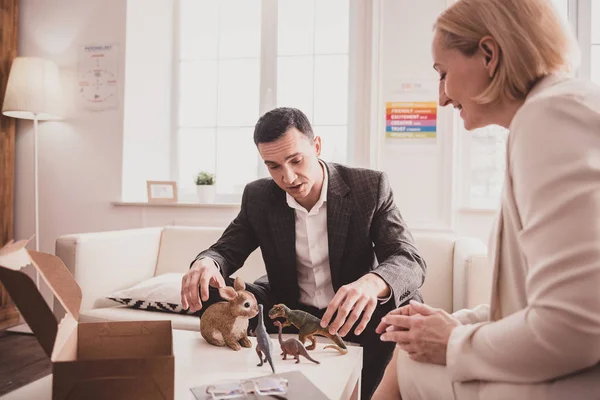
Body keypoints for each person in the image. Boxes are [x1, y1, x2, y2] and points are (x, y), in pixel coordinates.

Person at [371, 0, 600, 399]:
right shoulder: (551, 112)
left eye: (443, 74)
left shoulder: (550, 116)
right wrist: (453, 325)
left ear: (489, 54)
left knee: (408, 360)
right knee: (409, 352)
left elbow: (574, 326)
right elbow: (535, 300)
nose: (441, 98)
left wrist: (453, 342)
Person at [180, 107, 427, 400]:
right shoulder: (259, 196)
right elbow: (225, 249)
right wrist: (207, 262)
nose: (288, 177)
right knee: (210, 297)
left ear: (317, 146)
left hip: (352, 310)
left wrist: (371, 283)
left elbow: (408, 258)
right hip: (290, 308)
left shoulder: (369, 187)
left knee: (405, 307)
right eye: (273, 166)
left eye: (296, 160)